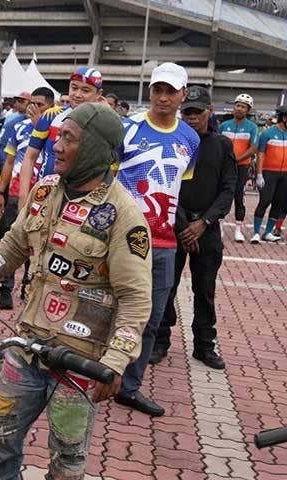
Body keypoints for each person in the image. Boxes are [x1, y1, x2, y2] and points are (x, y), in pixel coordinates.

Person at [0, 103, 152, 480]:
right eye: (57, 137)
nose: (56, 147)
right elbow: (14, 243)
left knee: (68, 449)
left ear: (98, 150)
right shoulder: (45, 190)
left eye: (69, 140)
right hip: (26, 345)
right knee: (1, 429)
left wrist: (115, 363)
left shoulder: (124, 216)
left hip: (80, 362)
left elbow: (137, 300)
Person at [114, 62, 198, 417]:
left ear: (183, 95)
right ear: (150, 92)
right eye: (157, 90)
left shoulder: (190, 140)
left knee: (150, 319)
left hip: (164, 244)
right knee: (106, 308)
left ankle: (128, 388)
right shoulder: (127, 128)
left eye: (171, 91)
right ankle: (91, 376)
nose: (163, 98)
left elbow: (180, 187)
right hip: (120, 238)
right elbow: (107, 179)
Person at [153, 86, 235, 370]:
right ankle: (160, 340)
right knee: (166, 287)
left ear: (209, 111)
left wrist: (203, 223)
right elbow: (165, 182)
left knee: (205, 289)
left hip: (207, 227)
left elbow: (229, 189)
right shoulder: (172, 141)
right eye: (186, 111)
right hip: (175, 224)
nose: (191, 117)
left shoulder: (221, 145)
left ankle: (204, 345)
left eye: (197, 112)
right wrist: (184, 223)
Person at [0, 86, 55, 309]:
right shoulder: (17, 127)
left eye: (40, 104)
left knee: (37, 245)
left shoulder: (58, 127)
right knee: (12, 241)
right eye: (32, 103)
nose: (34, 108)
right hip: (15, 195)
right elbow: (9, 162)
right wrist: (1, 191)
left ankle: (28, 285)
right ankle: (5, 288)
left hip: (44, 197)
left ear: (50, 105)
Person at [18, 66, 103, 203]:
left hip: (81, 199)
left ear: (99, 94)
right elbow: (29, 157)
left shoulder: (102, 123)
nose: (77, 94)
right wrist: (23, 198)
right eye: (74, 88)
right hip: (45, 194)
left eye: (85, 90)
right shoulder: (51, 115)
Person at [220, 93, 259, 243]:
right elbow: (218, 144)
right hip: (224, 166)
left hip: (241, 167)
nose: (240, 109)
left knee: (239, 196)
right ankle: (220, 227)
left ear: (248, 110)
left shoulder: (252, 127)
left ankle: (238, 230)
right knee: (222, 195)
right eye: (238, 105)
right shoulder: (224, 125)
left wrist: (237, 159)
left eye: (243, 107)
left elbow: (254, 147)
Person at [251, 105, 287, 243]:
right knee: (264, 201)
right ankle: (255, 232)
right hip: (269, 173)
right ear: (284, 118)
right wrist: (259, 174)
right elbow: (260, 155)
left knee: (278, 204)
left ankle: (267, 232)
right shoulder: (267, 133)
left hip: (285, 175)